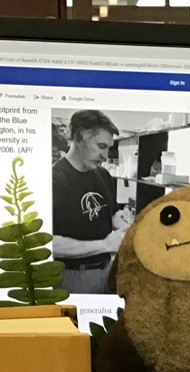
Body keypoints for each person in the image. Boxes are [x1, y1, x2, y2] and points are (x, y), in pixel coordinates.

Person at [51, 110, 134, 294]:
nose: (105, 155)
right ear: (80, 137)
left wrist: (130, 230)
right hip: (73, 276)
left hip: (108, 269)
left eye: (108, 147)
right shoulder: (54, 180)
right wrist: (105, 245)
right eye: (101, 146)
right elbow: (51, 243)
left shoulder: (103, 174)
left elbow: (109, 215)